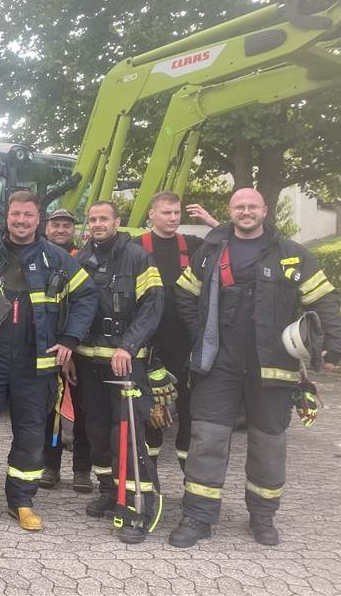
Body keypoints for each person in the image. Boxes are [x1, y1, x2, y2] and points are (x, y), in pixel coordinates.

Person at [169, 188, 341, 548]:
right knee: (208, 439)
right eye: (239, 206)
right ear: (230, 211)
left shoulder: (292, 255)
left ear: (265, 210)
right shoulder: (211, 251)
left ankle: (262, 517)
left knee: (268, 443)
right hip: (219, 364)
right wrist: (201, 334)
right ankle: (198, 517)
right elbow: (184, 295)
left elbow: (324, 298)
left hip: (274, 365)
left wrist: (333, 345)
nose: (246, 211)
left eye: (252, 206)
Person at [0, 191, 98, 536]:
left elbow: (87, 296)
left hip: (36, 362)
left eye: (28, 215)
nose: (21, 221)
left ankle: (21, 502)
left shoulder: (57, 259)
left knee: (30, 434)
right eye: (15, 214)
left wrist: (71, 338)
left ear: (37, 218)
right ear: (7, 216)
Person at [75, 201, 164, 544]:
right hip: (88, 361)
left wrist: (128, 346)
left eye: (104, 218)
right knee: (97, 430)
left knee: (125, 433)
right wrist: (70, 351)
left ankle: (137, 507)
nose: (98, 224)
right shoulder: (81, 260)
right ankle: (110, 492)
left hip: (126, 362)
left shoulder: (138, 257)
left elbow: (153, 306)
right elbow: (72, 309)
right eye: (93, 218)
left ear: (117, 221)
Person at [132, 192, 214, 470]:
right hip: (150, 341)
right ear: (151, 214)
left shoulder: (192, 245)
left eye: (177, 212)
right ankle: (148, 470)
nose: (173, 217)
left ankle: (189, 472)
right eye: (167, 212)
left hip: (185, 341)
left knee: (188, 406)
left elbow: (232, 244)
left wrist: (211, 222)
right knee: (152, 407)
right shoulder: (135, 247)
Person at [39, 208, 94, 494]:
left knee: (83, 410)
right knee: (50, 410)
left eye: (66, 225)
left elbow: (86, 305)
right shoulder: (39, 258)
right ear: (47, 227)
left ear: (73, 229)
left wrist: (72, 345)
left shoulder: (83, 260)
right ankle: (51, 465)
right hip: (47, 347)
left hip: (78, 347)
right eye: (56, 224)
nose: (61, 229)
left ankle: (82, 471)